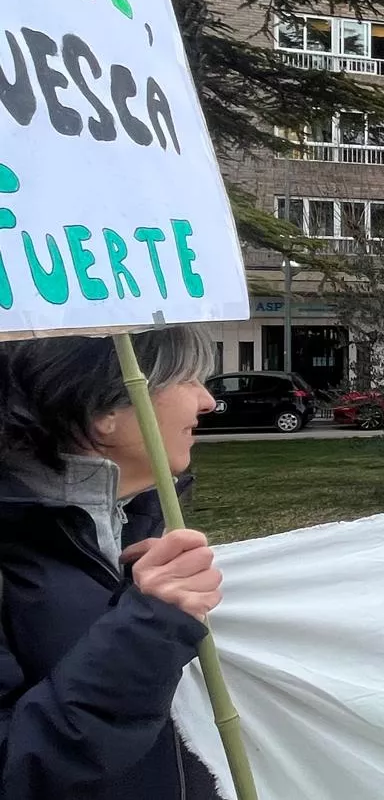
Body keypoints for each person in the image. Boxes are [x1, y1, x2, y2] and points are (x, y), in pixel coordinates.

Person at [0, 327, 226, 798]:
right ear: (104, 410)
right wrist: (148, 632)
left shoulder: (139, 526)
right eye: (187, 379)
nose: (207, 401)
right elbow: (16, 771)